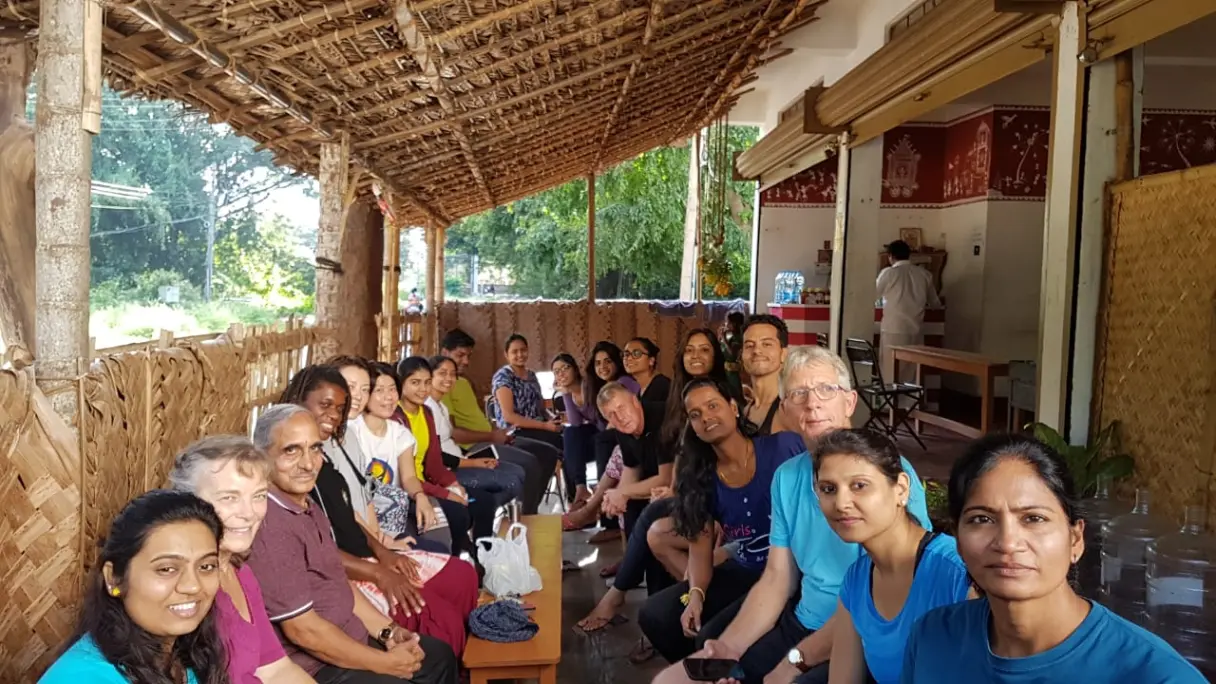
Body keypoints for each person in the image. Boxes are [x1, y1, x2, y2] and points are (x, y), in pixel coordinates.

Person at [652, 346, 930, 684]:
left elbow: (887, 597)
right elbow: (777, 577)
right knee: (702, 670)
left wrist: (793, 663)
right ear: (784, 409)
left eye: (826, 389)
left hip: (865, 636)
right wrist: (729, 647)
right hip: (804, 619)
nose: (812, 404)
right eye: (798, 394)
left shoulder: (887, 475)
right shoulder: (786, 477)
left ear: (850, 402)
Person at [901, 434, 1205, 683]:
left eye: (1034, 518)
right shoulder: (932, 640)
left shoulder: (1157, 676)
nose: (1008, 542)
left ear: (1075, 539)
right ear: (958, 539)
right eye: (981, 519)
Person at [248, 405, 459, 684]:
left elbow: (338, 581)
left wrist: (389, 632)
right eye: (291, 451)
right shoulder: (270, 526)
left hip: (350, 640)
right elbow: (303, 631)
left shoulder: (306, 505)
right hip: (318, 667)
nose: (308, 464)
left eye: (315, 448)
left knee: (438, 657)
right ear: (261, 457)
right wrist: (384, 663)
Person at [281, 372, 476, 658]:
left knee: (463, 576)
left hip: (366, 559)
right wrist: (378, 572)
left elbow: (349, 518)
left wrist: (384, 553)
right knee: (439, 619)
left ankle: (466, 663)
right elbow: (318, 552)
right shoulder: (291, 474)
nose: (334, 415)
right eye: (325, 405)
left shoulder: (324, 457)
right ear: (299, 401)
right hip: (344, 574)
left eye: (340, 407)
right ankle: (441, 665)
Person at [637, 378, 806, 663]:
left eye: (713, 406)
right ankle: (701, 674)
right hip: (745, 569)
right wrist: (696, 595)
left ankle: (717, 668)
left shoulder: (784, 447)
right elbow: (699, 550)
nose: (706, 417)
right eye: (695, 414)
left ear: (734, 408)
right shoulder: (701, 478)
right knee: (655, 614)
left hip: (791, 573)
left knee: (710, 636)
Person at [812, 429, 970, 684]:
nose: (841, 503)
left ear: (901, 489)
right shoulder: (856, 581)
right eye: (828, 489)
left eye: (859, 486)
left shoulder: (957, 572)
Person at [168, 436, 317, 684]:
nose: (249, 513)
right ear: (188, 502)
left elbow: (276, 669)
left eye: (259, 496)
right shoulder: (183, 589)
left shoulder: (240, 572)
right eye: (229, 498)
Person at [40, 490, 228, 684]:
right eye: (166, 569)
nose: (193, 586)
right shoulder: (83, 678)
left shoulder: (187, 656)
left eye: (206, 567)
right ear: (114, 579)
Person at [439, 329, 559, 514]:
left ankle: (528, 510)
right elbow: (455, 434)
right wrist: (492, 436)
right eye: (460, 355)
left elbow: (476, 420)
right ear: (444, 352)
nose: (466, 361)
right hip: (473, 448)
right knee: (529, 463)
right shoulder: (445, 385)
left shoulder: (462, 382)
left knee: (549, 452)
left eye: (468, 356)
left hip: (492, 437)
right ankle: (523, 517)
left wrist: (497, 433)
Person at [393, 357, 491, 552]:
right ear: (401, 384)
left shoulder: (426, 413)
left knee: (482, 501)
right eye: (415, 382)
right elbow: (405, 477)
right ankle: (456, 558)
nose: (423, 389)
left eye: (427, 382)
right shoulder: (397, 418)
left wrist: (453, 484)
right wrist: (446, 494)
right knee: (458, 514)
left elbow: (434, 463)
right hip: (408, 489)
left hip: (426, 482)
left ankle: (482, 555)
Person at [427, 354, 526, 520]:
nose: (449, 378)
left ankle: (477, 512)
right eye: (442, 373)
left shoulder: (441, 406)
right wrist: (473, 463)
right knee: (511, 482)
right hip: (447, 470)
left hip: (460, 460)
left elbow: (449, 441)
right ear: (430, 376)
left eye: (453, 374)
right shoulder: (427, 408)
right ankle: (474, 513)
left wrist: (473, 457)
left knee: (518, 472)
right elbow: (436, 455)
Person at [875, 240, 940, 389]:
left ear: (890, 256)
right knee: (912, 371)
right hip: (916, 329)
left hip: (893, 328)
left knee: (890, 370)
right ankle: (910, 401)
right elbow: (935, 303)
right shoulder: (924, 274)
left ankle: (890, 401)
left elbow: (873, 295)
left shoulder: (888, 273)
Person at [490, 334, 564, 452]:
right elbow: (509, 417)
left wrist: (553, 419)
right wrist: (545, 426)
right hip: (515, 433)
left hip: (538, 428)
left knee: (568, 436)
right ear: (506, 354)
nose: (520, 355)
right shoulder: (503, 377)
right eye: (515, 352)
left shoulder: (532, 376)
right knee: (556, 444)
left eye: (523, 350)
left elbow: (541, 409)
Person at [552, 353, 596, 510]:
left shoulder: (589, 386)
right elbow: (575, 422)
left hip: (608, 431)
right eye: (556, 371)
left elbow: (600, 418)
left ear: (575, 369)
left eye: (565, 368)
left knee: (571, 447)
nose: (561, 373)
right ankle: (579, 492)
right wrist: (565, 393)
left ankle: (577, 498)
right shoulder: (570, 393)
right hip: (594, 434)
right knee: (570, 438)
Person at [740, 314, 790, 437]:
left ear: (783, 354)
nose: (757, 351)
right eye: (749, 345)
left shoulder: (791, 409)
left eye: (767, 344)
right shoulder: (746, 411)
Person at [623, 337, 671, 403]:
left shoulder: (663, 385)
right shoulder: (635, 389)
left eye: (637, 354)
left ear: (651, 360)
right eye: (626, 354)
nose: (629, 358)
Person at [721, 311, 746, 396]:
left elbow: (732, 354)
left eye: (728, 322)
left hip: (732, 373)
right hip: (726, 371)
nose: (726, 324)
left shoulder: (738, 338)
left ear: (734, 324)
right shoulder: (731, 337)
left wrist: (724, 339)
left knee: (734, 393)